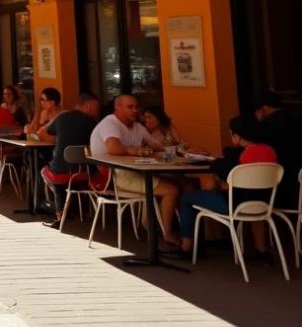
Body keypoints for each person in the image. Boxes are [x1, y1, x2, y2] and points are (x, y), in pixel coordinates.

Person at [171, 115, 279, 259]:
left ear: (237, 136)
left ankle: (186, 248)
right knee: (253, 203)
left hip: (234, 204)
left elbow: (219, 168)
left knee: (187, 197)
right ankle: (261, 250)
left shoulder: (241, 155)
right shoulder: (270, 151)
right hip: (263, 204)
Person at [89, 93, 181, 247]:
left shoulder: (138, 127)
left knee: (178, 184)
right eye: (130, 107)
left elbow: (155, 145)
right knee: (170, 190)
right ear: (118, 109)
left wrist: (179, 148)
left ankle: (154, 226)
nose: (135, 110)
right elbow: (114, 148)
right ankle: (168, 234)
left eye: (136, 107)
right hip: (114, 176)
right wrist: (137, 151)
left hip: (135, 172)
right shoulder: (109, 123)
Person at [39, 92, 102, 225]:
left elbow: (44, 132)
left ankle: (58, 209)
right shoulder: (94, 124)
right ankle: (72, 207)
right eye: (97, 108)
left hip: (59, 171)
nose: (98, 111)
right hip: (86, 172)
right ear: (89, 107)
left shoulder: (62, 117)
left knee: (45, 172)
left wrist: (57, 140)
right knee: (67, 178)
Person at [250, 92, 302, 208]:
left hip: (279, 184)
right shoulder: (296, 118)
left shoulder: (267, 125)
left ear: (264, 108)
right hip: (297, 180)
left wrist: (259, 122)